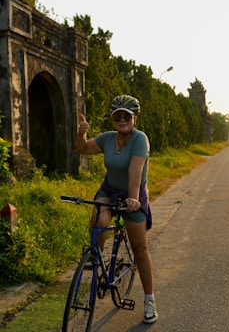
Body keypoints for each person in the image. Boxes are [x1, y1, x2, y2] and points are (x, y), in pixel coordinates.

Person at [76, 95, 158, 324]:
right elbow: (82, 148)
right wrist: (81, 131)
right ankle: (97, 260)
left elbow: (135, 170)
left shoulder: (140, 139)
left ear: (134, 118)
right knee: (100, 223)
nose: (121, 119)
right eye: (117, 115)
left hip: (134, 195)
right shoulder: (109, 138)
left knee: (140, 247)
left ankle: (149, 300)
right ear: (112, 118)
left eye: (126, 115)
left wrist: (133, 199)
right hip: (110, 190)